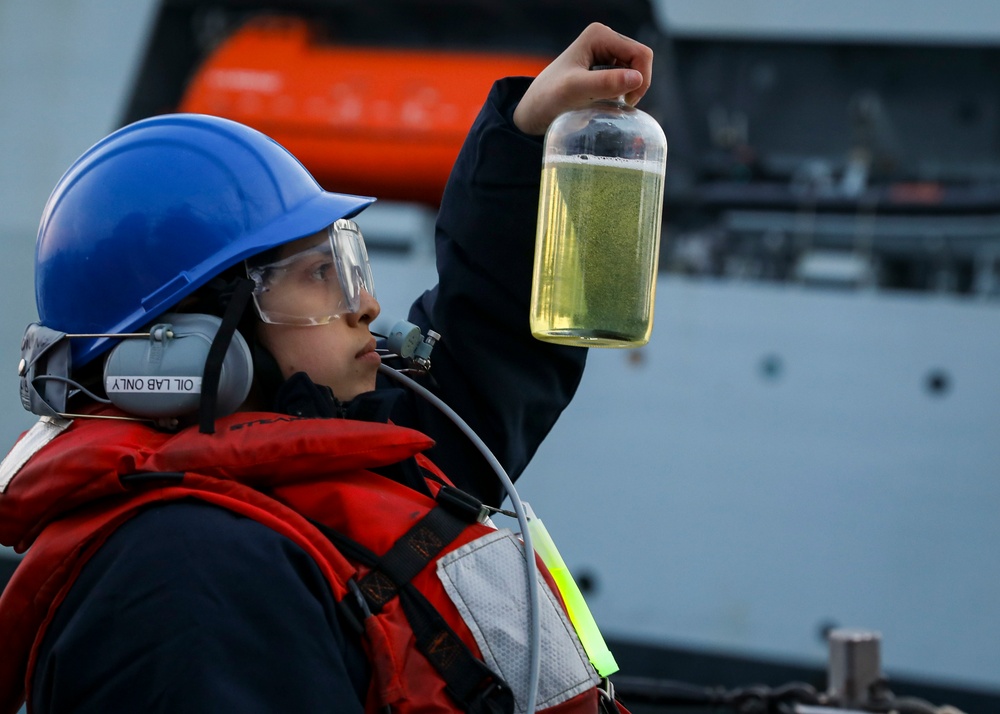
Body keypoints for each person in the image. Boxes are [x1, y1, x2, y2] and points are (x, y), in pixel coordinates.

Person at [0, 22, 653, 714]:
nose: (367, 305)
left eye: (352, 267)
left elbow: (478, 366)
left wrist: (527, 139)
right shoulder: (189, 581)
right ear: (192, 339)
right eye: (322, 275)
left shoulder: (292, 483)